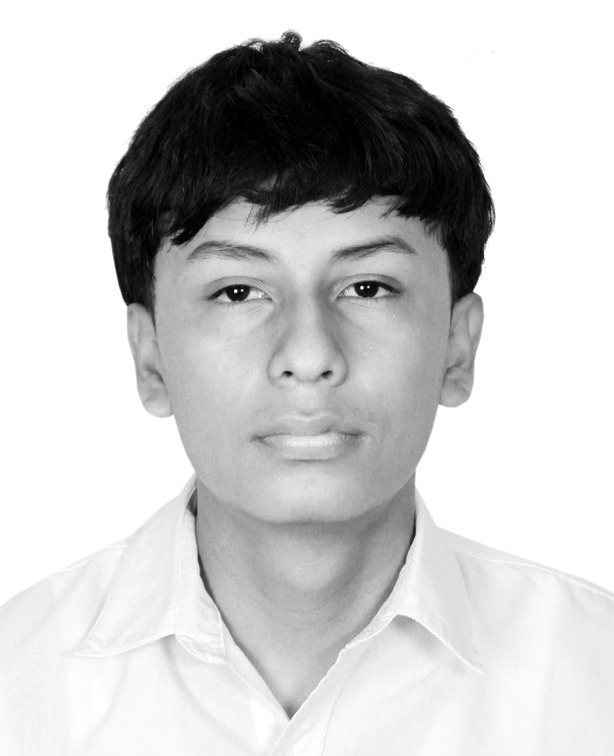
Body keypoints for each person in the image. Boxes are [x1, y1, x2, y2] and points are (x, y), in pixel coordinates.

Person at [0, 30, 612, 756]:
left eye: (368, 287)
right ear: (150, 356)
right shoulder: (18, 685)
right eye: (237, 291)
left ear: (457, 344)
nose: (310, 356)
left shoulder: (593, 678)